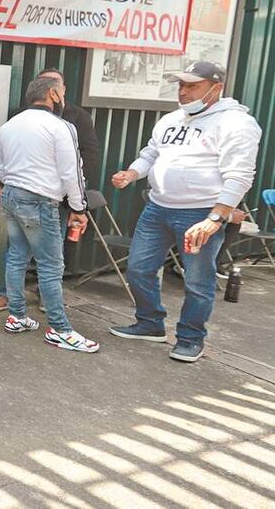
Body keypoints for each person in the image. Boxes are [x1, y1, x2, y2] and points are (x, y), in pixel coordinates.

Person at [108, 61, 261, 362]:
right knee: (139, 268)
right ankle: (150, 324)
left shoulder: (235, 123)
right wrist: (132, 174)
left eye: (192, 85)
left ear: (216, 87)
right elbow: (151, 154)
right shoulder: (171, 120)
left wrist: (216, 218)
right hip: (157, 208)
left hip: (200, 213)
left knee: (197, 280)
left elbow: (240, 175)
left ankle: (191, 339)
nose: (183, 91)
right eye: (181, 85)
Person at [0, 76, 99, 353]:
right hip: (41, 200)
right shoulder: (61, 126)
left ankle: (17, 316)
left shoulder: (8, 126)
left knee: (17, 256)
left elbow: (0, 168)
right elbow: (72, 173)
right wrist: (79, 207)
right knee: (51, 266)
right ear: (53, 94)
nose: (64, 97)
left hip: (12, 194)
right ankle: (60, 330)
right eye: (62, 92)